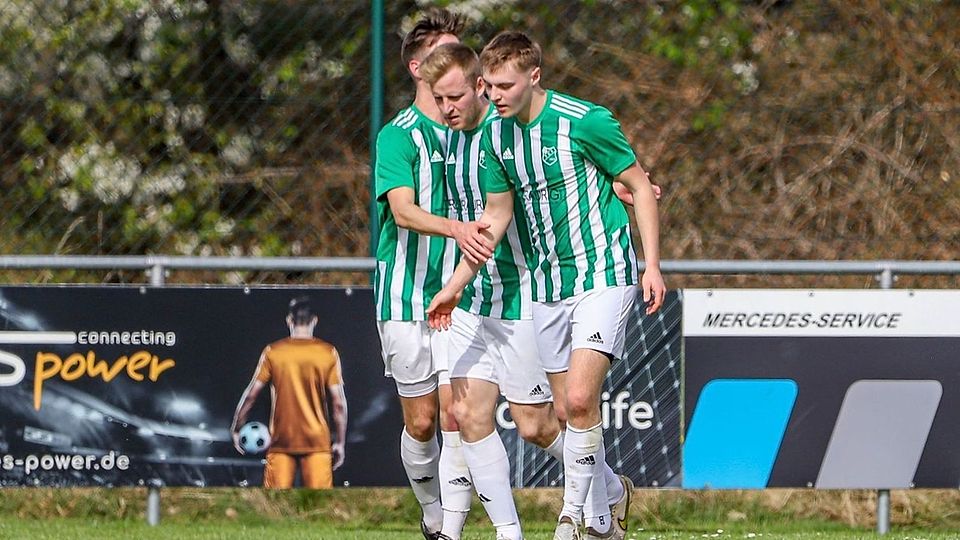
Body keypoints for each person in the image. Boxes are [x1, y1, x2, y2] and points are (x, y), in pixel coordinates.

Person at [427, 31, 666, 540]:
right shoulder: (496, 138)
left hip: (604, 272)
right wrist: (455, 285)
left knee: (579, 399)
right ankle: (604, 518)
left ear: (534, 76)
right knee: (559, 413)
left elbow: (641, 186)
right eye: (489, 86)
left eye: (505, 86)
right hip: (548, 284)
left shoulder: (585, 121)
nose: (494, 96)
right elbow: (495, 218)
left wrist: (651, 264)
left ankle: (570, 520)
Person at [419, 42, 562, 540]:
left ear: (479, 87)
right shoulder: (450, 140)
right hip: (471, 300)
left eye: (455, 97)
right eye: (439, 99)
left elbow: (560, 175)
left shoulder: (505, 135)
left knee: (534, 426)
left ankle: (607, 489)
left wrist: (624, 185)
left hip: (518, 295)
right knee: (465, 413)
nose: (447, 108)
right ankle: (508, 532)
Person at [372, 8, 491, 539]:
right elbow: (402, 211)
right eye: (444, 54)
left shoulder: (480, 127)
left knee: (454, 413)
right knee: (420, 422)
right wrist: (457, 228)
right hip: (405, 296)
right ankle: (432, 513)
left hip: (463, 295)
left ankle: (454, 529)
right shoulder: (398, 136)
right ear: (417, 68)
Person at [231, 296, 348, 489]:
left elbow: (251, 395)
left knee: (275, 501)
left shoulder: (273, 352)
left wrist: (237, 427)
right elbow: (338, 404)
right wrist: (340, 443)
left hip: (281, 442)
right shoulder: (327, 353)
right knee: (319, 501)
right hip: (317, 442)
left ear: (289, 320)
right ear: (314, 321)